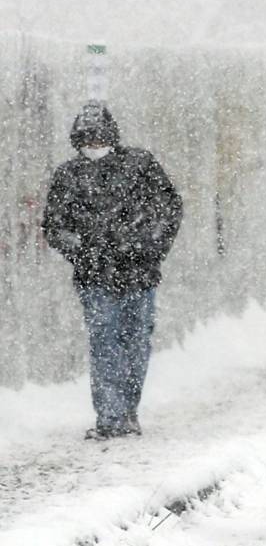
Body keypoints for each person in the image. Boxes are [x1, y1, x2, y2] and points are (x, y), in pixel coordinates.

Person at [42, 102, 183, 440]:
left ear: (112, 136)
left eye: (99, 137)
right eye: (86, 139)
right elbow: (54, 226)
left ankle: (127, 410)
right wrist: (84, 250)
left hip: (139, 272)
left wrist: (148, 246)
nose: (93, 145)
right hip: (95, 275)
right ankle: (110, 417)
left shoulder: (141, 165)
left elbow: (169, 209)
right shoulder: (68, 175)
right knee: (105, 342)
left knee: (135, 343)